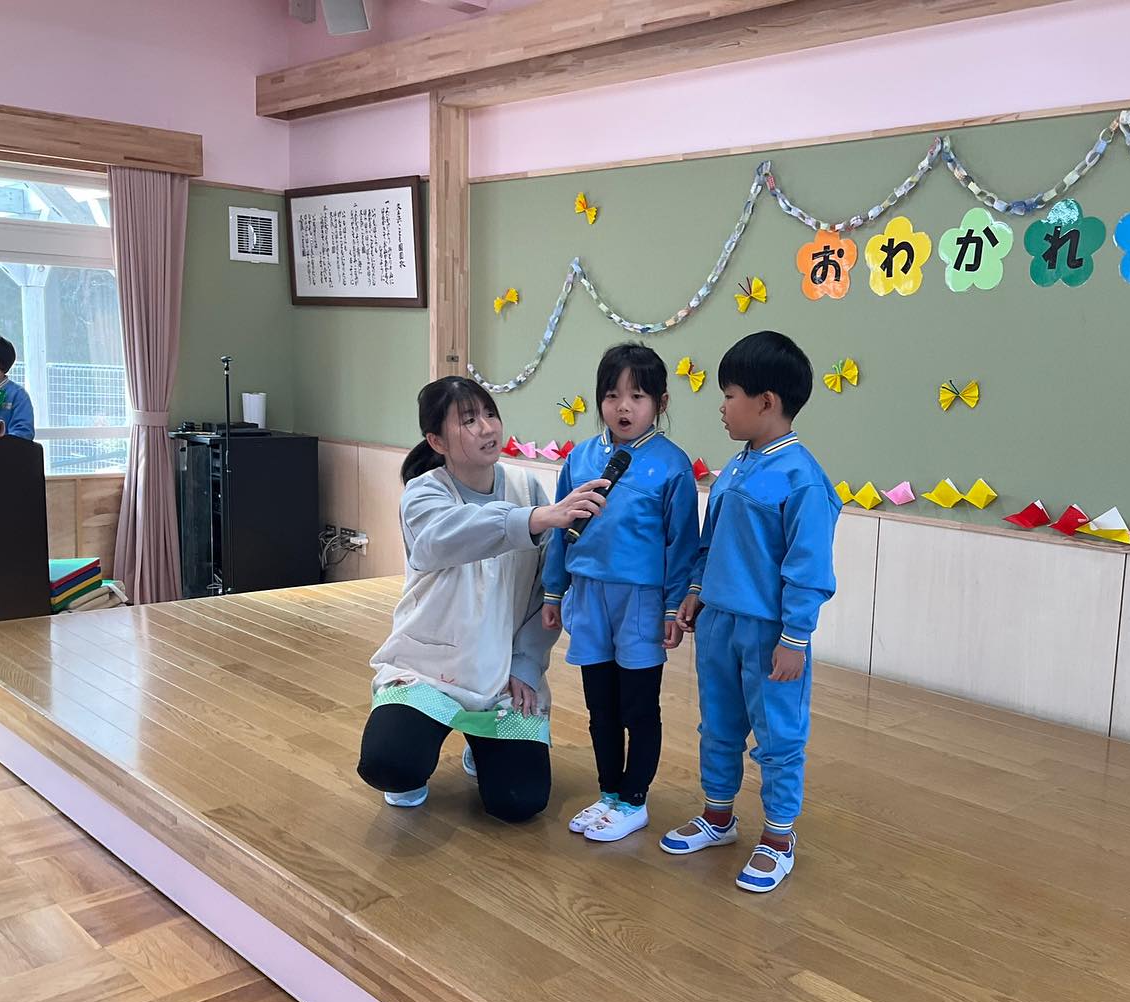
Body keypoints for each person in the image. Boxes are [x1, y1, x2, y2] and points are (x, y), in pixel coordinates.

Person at [356, 376, 609, 822]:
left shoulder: (526, 487)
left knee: (520, 801)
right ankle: (412, 762)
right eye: (469, 421)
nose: (487, 428)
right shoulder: (424, 493)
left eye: (490, 414)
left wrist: (526, 664)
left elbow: (545, 589)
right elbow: (448, 537)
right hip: (427, 667)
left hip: (503, 673)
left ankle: (482, 744)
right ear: (437, 441)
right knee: (390, 763)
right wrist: (533, 520)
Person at [661, 331, 841, 893]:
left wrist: (795, 637)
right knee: (718, 724)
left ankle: (779, 837)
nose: (721, 406)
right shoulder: (736, 467)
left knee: (778, 735)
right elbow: (711, 542)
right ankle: (718, 816)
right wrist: (696, 589)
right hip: (718, 623)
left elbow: (808, 568)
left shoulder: (802, 478)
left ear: (766, 402)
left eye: (729, 394)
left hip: (769, 633)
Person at [541, 344, 699, 842]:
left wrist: (673, 607)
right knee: (600, 706)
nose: (623, 407)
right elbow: (559, 526)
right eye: (611, 395)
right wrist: (553, 592)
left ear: (661, 403)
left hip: (641, 602)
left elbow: (682, 544)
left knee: (638, 707)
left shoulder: (673, 466)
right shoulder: (581, 457)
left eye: (637, 396)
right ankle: (609, 793)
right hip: (588, 596)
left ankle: (635, 799)